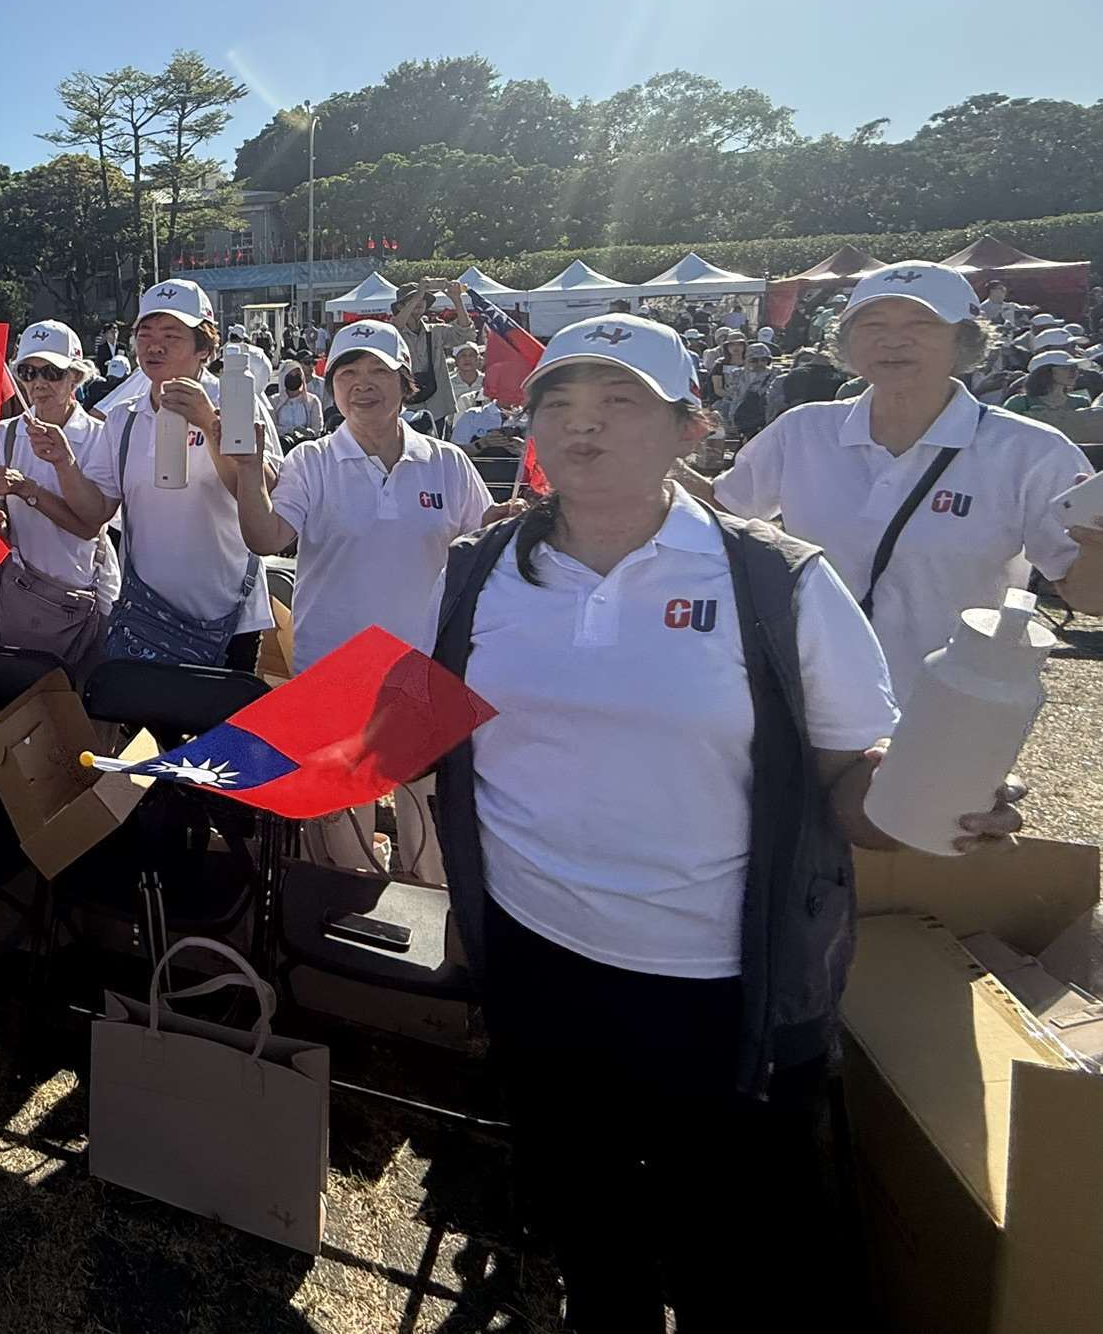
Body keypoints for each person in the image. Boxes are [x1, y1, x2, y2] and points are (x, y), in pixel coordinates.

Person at [421, 313, 1008, 1330]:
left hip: (718, 991)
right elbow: (410, 726)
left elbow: (846, 785)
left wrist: (931, 796)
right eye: (556, 405)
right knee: (590, 1232)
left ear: (691, 429)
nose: (582, 427)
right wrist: (222, 763)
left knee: (728, 1257)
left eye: (618, 404)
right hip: (533, 959)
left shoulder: (774, 581)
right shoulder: (480, 571)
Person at [689, 262, 1103, 704]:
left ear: (963, 339)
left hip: (949, 705)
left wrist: (1097, 544)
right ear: (846, 342)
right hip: (813, 695)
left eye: (921, 323)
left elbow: (1087, 596)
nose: (893, 339)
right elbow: (726, 508)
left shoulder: (1030, 450)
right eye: (871, 324)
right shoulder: (804, 430)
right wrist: (647, 458)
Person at [235, 319, 505, 673]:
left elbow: (477, 551)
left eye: (379, 370)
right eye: (347, 373)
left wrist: (499, 527)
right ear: (332, 385)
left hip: (423, 668)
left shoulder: (447, 462)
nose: (362, 384)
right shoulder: (311, 460)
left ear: (406, 383)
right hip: (327, 667)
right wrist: (248, 470)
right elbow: (265, 539)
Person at [46, 278, 279, 670]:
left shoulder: (237, 401)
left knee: (220, 730)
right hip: (147, 616)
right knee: (153, 728)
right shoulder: (125, 417)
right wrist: (63, 462)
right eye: (146, 334)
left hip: (228, 618)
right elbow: (97, 510)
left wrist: (209, 424)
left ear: (204, 348)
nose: (155, 346)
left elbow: (262, 495)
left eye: (172, 335)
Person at [0, 321, 117, 668]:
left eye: (51, 372)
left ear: (75, 377)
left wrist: (28, 488)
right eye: (28, 371)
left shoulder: (101, 437)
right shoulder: (3, 436)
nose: (38, 383)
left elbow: (88, 525)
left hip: (82, 594)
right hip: (20, 594)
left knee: (80, 709)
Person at [389, 282, 475, 427]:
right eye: (412, 299)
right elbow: (394, 328)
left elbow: (465, 334)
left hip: (438, 406)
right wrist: (418, 295)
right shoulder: (393, 333)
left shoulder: (435, 331)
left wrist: (457, 299)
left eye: (423, 299)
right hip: (406, 410)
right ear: (399, 307)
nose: (419, 302)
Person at [1003, 349, 1091, 423]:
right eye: (1066, 368)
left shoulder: (1081, 402)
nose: (1074, 372)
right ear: (1045, 373)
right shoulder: (1019, 403)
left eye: (1075, 368)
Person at [271, 365, 323, 439]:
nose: (293, 378)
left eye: (297, 375)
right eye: (290, 375)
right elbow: (271, 428)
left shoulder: (313, 401)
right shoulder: (273, 401)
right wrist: (292, 430)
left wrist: (306, 433)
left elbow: (317, 428)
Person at [443, 342, 488, 417]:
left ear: (477, 359)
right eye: (463, 355)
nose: (467, 359)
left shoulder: (488, 382)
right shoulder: (448, 384)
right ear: (456, 361)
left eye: (471, 355)